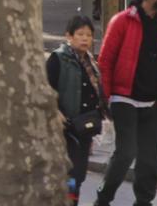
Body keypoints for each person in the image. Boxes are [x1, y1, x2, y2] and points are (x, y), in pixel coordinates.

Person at [95, 0, 157, 206]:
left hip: (155, 103)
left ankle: (143, 202)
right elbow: (106, 60)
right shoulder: (122, 22)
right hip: (124, 99)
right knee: (126, 153)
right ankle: (103, 199)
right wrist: (107, 97)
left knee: (150, 159)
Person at [48, 15, 105, 203]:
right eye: (80, 34)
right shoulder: (58, 59)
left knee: (78, 175)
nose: (85, 39)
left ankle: (72, 201)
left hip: (83, 129)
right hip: (65, 131)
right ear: (69, 36)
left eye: (89, 35)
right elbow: (45, 90)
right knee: (69, 176)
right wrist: (55, 112)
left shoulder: (89, 61)